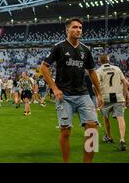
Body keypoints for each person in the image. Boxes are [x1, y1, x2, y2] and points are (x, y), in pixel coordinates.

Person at [40, 18, 103, 163]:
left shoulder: (86, 50)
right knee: (65, 131)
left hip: (83, 94)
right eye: (75, 27)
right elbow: (43, 68)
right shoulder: (59, 47)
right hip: (64, 96)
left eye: (80, 27)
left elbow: (92, 72)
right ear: (67, 30)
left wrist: (99, 94)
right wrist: (55, 88)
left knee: (92, 129)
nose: (78, 30)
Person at [96, 54, 128, 151]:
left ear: (99, 61)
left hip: (105, 97)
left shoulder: (99, 71)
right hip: (118, 96)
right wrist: (124, 96)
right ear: (109, 60)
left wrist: (98, 96)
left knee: (105, 117)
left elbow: (95, 85)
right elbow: (125, 83)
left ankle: (109, 137)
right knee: (120, 118)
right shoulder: (117, 68)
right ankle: (122, 140)